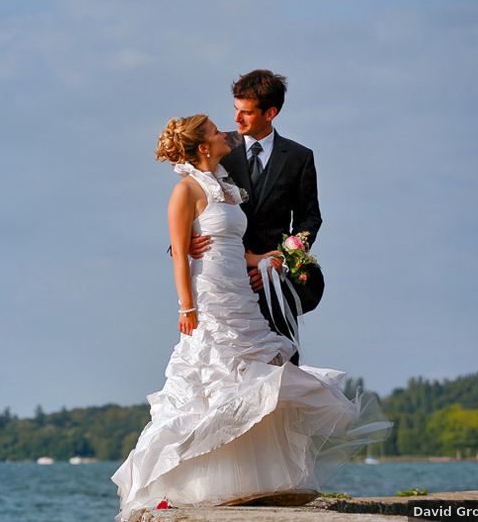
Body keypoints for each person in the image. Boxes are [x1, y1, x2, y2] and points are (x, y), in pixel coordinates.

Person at [110, 114, 390, 521]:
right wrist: (186, 307)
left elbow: (231, 242)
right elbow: (178, 255)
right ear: (203, 146)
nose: (224, 132)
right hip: (209, 297)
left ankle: (251, 481)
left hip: (241, 291)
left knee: (255, 374)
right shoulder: (185, 189)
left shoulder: (224, 183)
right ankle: (194, 482)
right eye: (213, 131)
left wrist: (261, 258)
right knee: (212, 378)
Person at [190, 70, 324, 365]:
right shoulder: (218, 148)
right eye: (236, 110)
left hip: (273, 288)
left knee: (281, 375)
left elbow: (308, 219)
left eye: (247, 113)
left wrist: (281, 262)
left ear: (271, 113)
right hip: (224, 283)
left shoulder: (299, 158)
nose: (237, 120)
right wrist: (185, 244)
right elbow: (190, 199)